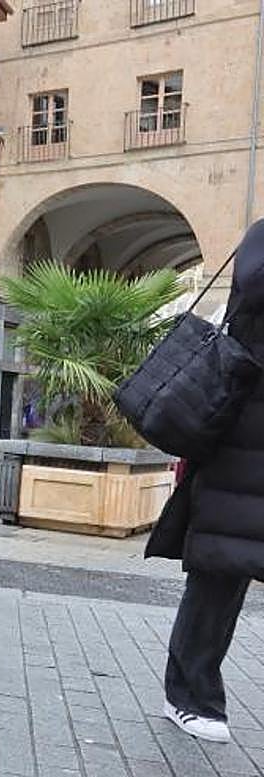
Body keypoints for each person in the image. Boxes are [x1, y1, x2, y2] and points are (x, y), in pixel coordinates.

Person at [154, 220, 264, 744]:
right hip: (241, 444)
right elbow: (255, 280)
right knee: (221, 570)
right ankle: (190, 695)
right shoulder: (263, 240)